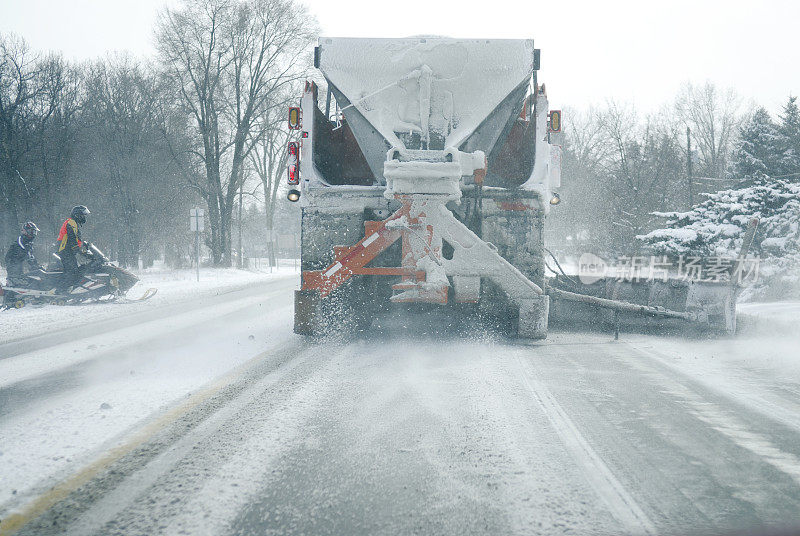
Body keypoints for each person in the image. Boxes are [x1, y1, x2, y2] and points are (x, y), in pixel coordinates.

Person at [57, 205, 90, 293]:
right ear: (78, 215)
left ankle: (71, 289)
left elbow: (76, 239)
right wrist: (77, 250)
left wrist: (84, 246)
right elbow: (72, 238)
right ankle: (59, 291)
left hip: (68, 251)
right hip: (65, 251)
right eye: (83, 215)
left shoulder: (74, 223)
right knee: (72, 272)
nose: (84, 217)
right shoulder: (71, 223)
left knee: (76, 270)